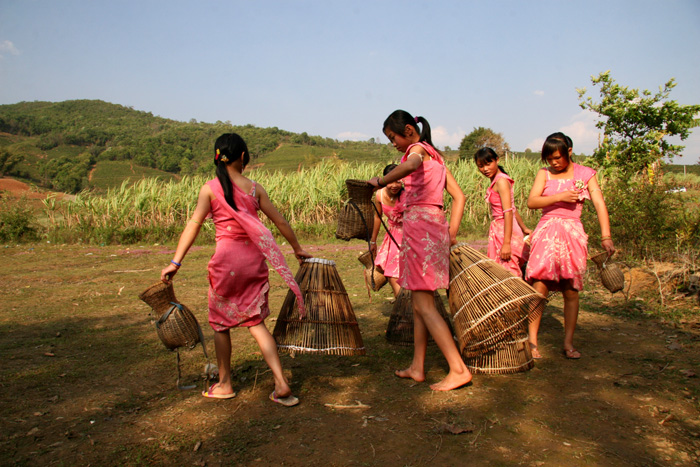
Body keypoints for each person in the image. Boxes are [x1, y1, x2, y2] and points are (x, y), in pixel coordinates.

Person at [160, 133, 311, 406]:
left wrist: (175, 262)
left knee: (221, 325)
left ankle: (225, 383)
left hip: (226, 261)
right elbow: (280, 222)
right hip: (253, 260)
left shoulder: (209, 188)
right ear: (243, 157)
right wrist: (297, 248)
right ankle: (281, 382)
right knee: (256, 322)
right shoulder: (255, 189)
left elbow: (193, 225)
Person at [368, 110, 472, 391]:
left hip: (420, 228)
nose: (393, 144)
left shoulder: (416, 151)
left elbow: (411, 165)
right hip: (433, 227)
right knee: (417, 302)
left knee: (424, 304)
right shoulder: (436, 156)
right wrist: (451, 232)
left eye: (393, 137)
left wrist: (379, 181)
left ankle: (458, 369)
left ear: (409, 131)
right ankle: (417, 366)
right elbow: (459, 196)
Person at [525, 132, 615, 360]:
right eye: (549, 158)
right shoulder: (543, 174)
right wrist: (561, 196)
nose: (553, 162)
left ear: (569, 152)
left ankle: (568, 343)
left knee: (571, 289)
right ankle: (532, 342)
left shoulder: (586, 174)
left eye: (557, 157)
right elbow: (532, 201)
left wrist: (606, 236)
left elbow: (599, 203)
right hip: (546, 232)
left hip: (573, 234)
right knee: (539, 285)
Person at [474, 148, 532, 277]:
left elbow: (508, 212)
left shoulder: (501, 181)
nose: (485, 169)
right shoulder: (496, 180)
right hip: (502, 229)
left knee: (508, 272)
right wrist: (524, 228)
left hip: (505, 230)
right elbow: (512, 208)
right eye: (481, 166)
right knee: (502, 272)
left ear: (497, 160)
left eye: (488, 164)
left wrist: (506, 244)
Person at [370, 164, 405, 297]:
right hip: (392, 235)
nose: (394, 185)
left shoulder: (409, 195)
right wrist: (373, 241)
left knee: (407, 271)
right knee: (391, 271)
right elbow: (377, 217)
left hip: (409, 236)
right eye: (390, 181)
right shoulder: (379, 195)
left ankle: (404, 301)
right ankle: (400, 300)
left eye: (398, 181)